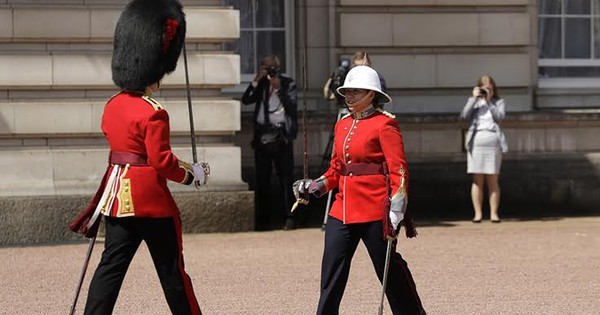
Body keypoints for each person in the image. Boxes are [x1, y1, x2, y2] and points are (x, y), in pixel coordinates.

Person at [69, 1, 207, 314]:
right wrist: (190, 175)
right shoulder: (154, 113)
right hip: (152, 203)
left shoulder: (112, 106)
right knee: (173, 273)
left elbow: (129, 152)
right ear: (152, 71)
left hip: (118, 198)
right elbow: (161, 161)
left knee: (110, 270)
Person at [293, 65, 425, 315]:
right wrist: (315, 185)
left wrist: (398, 205)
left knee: (387, 268)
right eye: (347, 92)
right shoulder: (342, 125)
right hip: (341, 209)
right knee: (332, 270)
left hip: (375, 209)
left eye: (355, 91)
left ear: (371, 94)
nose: (349, 96)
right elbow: (336, 169)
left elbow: (399, 170)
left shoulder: (385, 125)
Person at [241, 54, 298, 231]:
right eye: (265, 67)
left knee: (285, 178)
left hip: (281, 136)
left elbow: (292, 107)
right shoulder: (262, 84)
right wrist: (256, 80)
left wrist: (279, 89)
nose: (270, 70)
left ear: (278, 67)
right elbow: (246, 99)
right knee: (262, 180)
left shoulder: (288, 83)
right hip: (262, 136)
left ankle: (289, 218)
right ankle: (263, 221)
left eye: (272, 67)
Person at [460, 74, 507, 223]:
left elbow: (500, 117)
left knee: (492, 178)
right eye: (483, 86)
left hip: (493, 140)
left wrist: (489, 101)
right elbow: (464, 115)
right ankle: (478, 214)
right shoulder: (474, 102)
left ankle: (494, 213)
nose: (486, 88)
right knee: (477, 179)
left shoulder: (498, 102)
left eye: (489, 85)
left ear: (493, 87)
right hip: (476, 141)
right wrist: (474, 99)